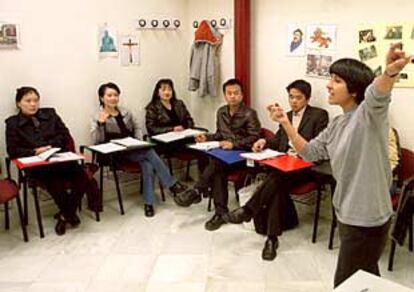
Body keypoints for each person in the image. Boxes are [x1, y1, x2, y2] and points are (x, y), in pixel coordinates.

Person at [268, 43, 412, 287]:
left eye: (336, 80)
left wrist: (389, 73)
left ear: (354, 90)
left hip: (367, 217)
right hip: (346, 212)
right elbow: (310, 152)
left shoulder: (368, 116)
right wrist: (286, 123)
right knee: (364, 276)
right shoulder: (336, 124)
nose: (328, 85)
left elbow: (377, 95)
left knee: (346, 282)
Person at [224, 80, 329, 261]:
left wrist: (297, 156)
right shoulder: (285, 116)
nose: (294, 101)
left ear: (308, 98)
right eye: (291, 97)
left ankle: (249, 210)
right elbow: (278, 141)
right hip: (285, 166)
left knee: (276, 178)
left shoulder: (319, 115)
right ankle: (271, 239)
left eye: (298, 98)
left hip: (306, 166)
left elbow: (319, 147)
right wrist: (263, 142)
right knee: (277, 184)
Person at [174, 78, 261, 231]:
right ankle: (220, 213)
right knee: (217, 169)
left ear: (242, 95)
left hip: (243, 155)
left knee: (216, 163)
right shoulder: (221, 112)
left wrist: (233, 144)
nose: (233, 96)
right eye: (229, 93)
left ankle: (197, 191)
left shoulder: (249, 113)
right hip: (224, 156)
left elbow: (255, 137)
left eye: (236, 93)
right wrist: (206, 137)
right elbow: (220, 134)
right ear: (225, 95)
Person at [90, 82, 187, 217]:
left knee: (147, 163)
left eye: (116, 95)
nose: (113, 98)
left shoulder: (125, 112)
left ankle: (149, 203)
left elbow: (137, 128)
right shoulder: (97, 116)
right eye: (109, 95)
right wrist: (101, 123)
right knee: (149, 152)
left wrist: (137, 141)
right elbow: (96, 140)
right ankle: (171, 184)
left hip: (132, 149)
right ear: (102, 98)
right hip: (114, 154)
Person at [5, 87, 89, 236]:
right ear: (19, 103)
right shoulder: (12, 124)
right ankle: (70, 214)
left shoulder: (50, 114)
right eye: (28, 101)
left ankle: (65, 215)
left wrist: (51, 146)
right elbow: (12, 151)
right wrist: (34, 151)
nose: (33, 104)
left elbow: (65, 135)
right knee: (55, 182)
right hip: (38, 165)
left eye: (35, 100)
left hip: (59, 158)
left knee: (82, 177)